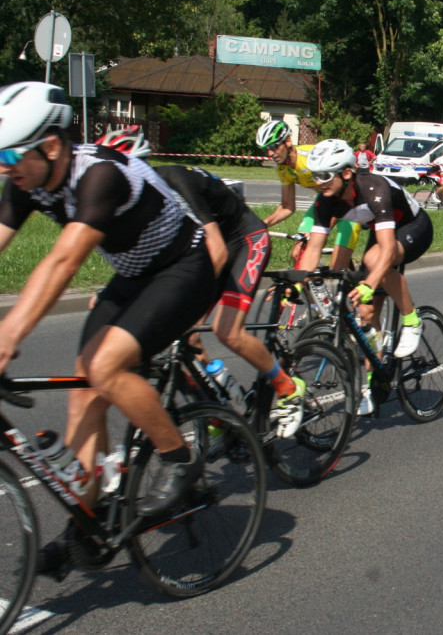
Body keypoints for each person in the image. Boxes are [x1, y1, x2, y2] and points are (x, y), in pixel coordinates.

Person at [0, 83, 221, 527]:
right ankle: (89, 518)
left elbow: (63, 260)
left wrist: (8, 335)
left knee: (104, 368)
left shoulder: (100, 174)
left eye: (8, 156)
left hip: (183, 267)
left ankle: (179, 459)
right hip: (134, 275)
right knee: (83, 393)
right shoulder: (27, 179)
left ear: (50, 145)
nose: (4, 169)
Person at [95, 129, 307, 439]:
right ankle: (220, 402)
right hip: (207, 249)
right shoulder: (137, 201)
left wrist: (185, 295)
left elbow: (218, 250)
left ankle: (288, 387)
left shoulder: (174, 181)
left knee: (227, 331)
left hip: (245, 240)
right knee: (186, 337)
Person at [299, 139, 434, 416]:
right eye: (315, 176)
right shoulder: (327, 200)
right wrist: (298, 282)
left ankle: (411, 320)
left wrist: (371, 282)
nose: (318, 183)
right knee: (366, 311)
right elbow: (312, 249)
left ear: (346, 173)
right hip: (383, 230)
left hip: (413, 226)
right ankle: (373, 381)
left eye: (324, 176)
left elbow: (385, 250)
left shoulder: (374, 188)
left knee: (374, 261)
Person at [254, 120, 360, 268]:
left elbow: (344, 187)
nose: (271, 153)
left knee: (337, 264)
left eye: (274, 146)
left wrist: (318, 231)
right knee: (297, 253)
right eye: (266, 149)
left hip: (349, 204)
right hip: (325, 201)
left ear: (288, 141)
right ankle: (312, 284)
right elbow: (287, 206)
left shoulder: (310, 156)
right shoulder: (283, 169)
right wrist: (260, 225)